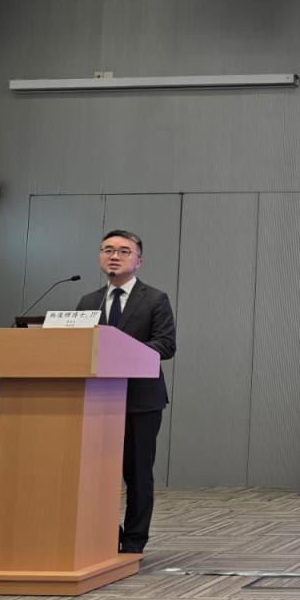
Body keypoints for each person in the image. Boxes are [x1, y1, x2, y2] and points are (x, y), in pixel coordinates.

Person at [76, 230, 176, 554]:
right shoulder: (88, 301)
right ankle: (104, 535)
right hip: (95, 400)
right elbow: (76, 346)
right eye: (107, 250)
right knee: (96, 472)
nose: (114, 256)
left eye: (123, 251)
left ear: (138, 261)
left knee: (137, 473)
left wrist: (121, 349)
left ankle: (134, 540)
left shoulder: (155, 299)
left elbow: (166, 345)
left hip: (140, 401)